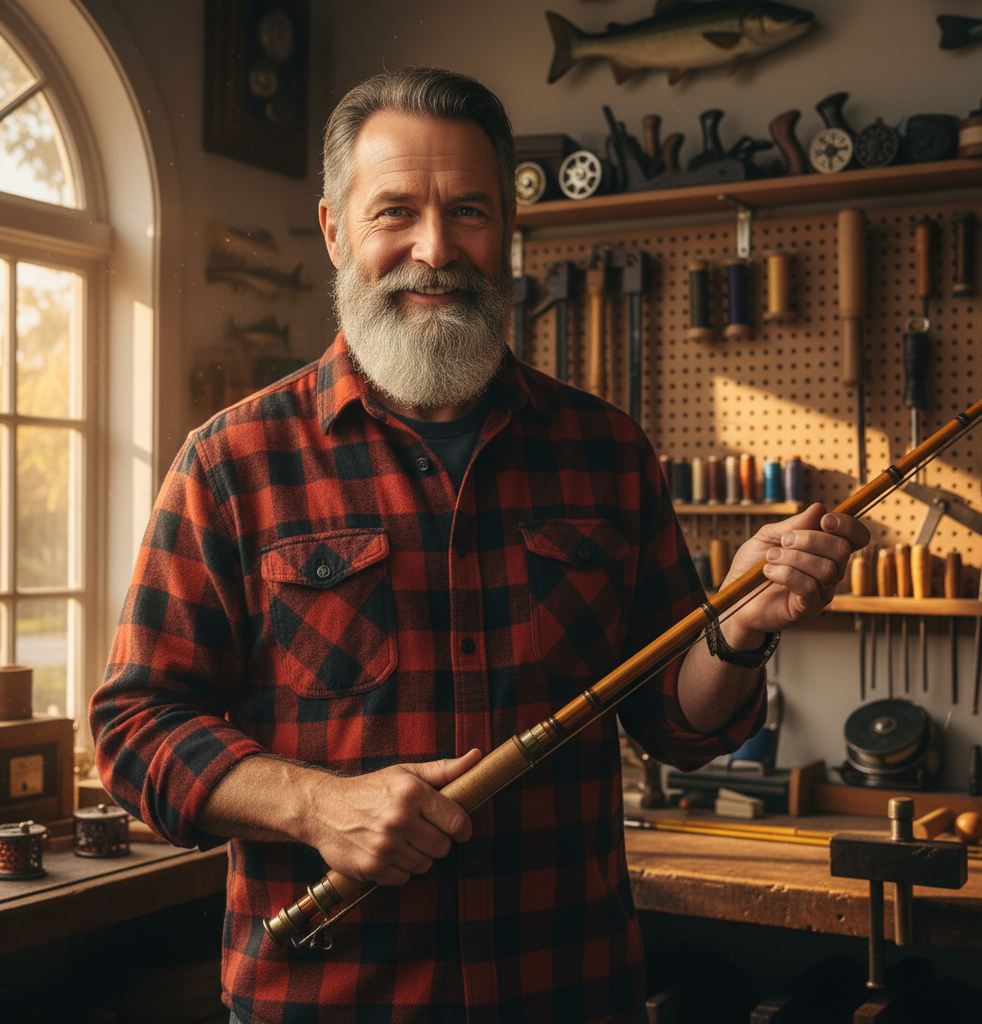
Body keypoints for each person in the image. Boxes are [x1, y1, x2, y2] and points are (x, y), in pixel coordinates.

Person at [90, 66, 869, 1024]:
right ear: (334, 229)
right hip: (330, 1002)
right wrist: (317, 806)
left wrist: (741, 624)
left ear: (507, 227)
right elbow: (133, 730)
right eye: (395, 212)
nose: (435, 248)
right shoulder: (230, 463)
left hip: (569, 992)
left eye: (467, 211)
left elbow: (679, 724)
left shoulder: (607, 451)